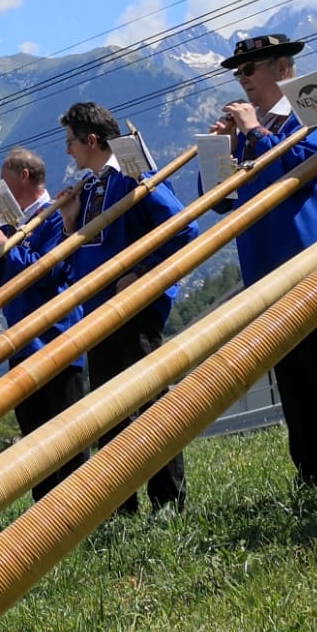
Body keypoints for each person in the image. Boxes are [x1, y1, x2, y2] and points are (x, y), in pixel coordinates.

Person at [210, 34, 317, 484]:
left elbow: (313, 163)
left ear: (283, 70)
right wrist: (220, 150)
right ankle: (309, 470)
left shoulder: (313, 111)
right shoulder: (247, 132)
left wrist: (255, 131)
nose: (243, 80)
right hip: (263, 265)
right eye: (239, 73)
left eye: (250, 70)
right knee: (291, 376)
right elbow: (220, 200)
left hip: (313, 259)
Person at [56, 104, 198, 515]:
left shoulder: (135, 176)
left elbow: (183, 227)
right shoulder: (88, 188)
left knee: (150, 401)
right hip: (98, 312)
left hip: (135, 309)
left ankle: (168, 500)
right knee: (109, 410)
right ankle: (121, 503)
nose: (68, 151)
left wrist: (140, 271)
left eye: (71, 142)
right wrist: (69, 225)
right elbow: (76, 262)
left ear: (93, 141)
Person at [0, 147, 89, 501]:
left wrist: (6, 246)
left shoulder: (54, 215)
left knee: (66, 431)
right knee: (34, 432)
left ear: (24, 176)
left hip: (57, 339)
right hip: (22, 340)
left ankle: (78, 504)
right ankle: (46, 510)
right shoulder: (11, 222)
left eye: (4, 178)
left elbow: (49, 270)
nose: (0, 185)